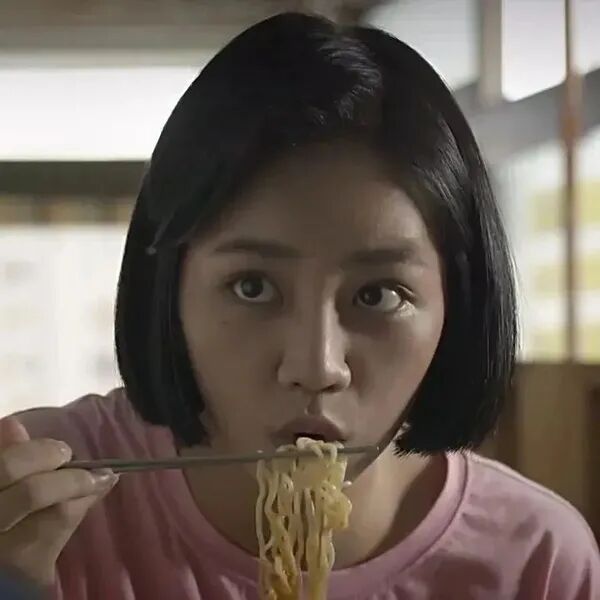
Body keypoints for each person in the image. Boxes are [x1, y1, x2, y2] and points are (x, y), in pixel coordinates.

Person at [0, 12, 597, 600]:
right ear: (168, 289)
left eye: (377, 295)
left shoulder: (535, 563)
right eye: (253, 287)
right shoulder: (34, 513)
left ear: (458, 305)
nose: (316, 367)